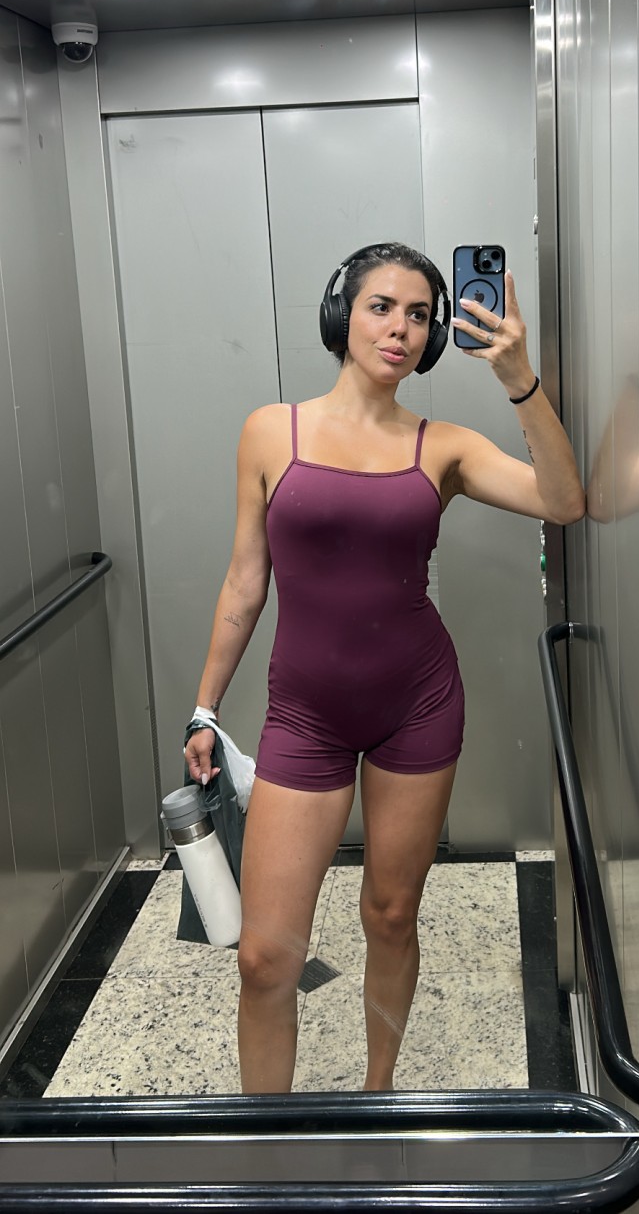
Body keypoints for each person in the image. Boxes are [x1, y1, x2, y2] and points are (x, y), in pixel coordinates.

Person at [185, 241, 585, 1094]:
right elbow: (246, 581)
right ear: (343, 314)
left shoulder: (445, 446)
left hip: (418, 705)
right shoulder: (271, 430)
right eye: (381, 307)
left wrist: (518, 376)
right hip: (305, 714)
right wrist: (205, 707)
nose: (400, 328)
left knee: (392, 914)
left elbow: (563, 501)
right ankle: (267, 1141)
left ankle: (379, 1094)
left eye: (419, 315)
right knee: (265, 957)